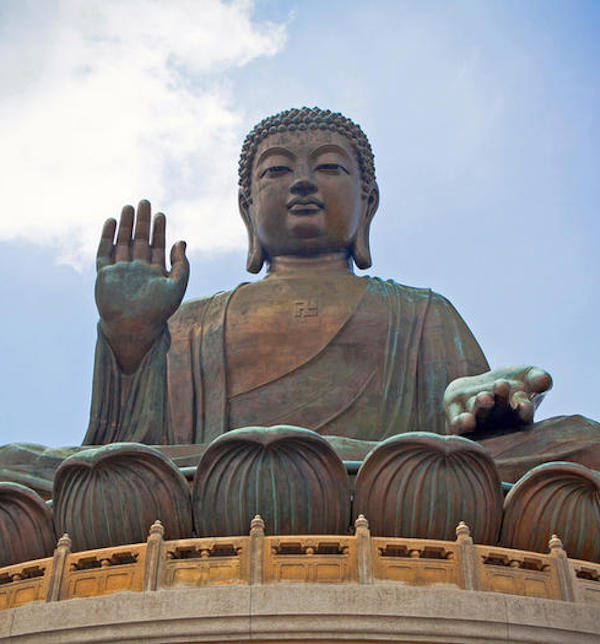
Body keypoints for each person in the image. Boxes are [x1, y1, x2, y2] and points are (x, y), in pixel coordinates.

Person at [82, 107, 598, 481]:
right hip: (208, 481)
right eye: (278, 170)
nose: (303, 182)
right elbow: (125, 451)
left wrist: (483, 407)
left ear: (367, 203)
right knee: (13, 469)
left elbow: (466, 439)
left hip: (393, 481)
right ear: (247, 209)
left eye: (328, 167)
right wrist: (131, 343)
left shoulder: (420, 312)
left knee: (583, 444)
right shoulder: (189, 322)